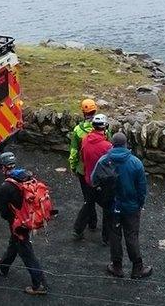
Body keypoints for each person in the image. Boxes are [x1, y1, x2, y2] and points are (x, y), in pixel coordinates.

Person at [93, 132, 152, 279]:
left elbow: (93, 179)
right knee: (131, 235)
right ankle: (137, 268)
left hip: (112, 206)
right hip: (131, 207)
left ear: (112, 144)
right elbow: (142, 188)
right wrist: (139, 203)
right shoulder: (135, 162)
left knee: (114, 235)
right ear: (126, 144)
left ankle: (117, 266)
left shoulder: (103, 161)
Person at [0, 152, 49, 296]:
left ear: (3, 168)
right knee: (15, 243)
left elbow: (3, 208)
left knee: (26, 252)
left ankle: (40, 284)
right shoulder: (26, 177)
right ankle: (3, 266)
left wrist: (10, 219)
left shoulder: (7, 186)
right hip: (28, 218)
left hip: (18, 223)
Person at [79, 113, 113, 244]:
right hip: (103, 183)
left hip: (88, 179)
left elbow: (82, 158)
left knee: (88, 204)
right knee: (108, 208)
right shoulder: (107, 146)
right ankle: (107, 238)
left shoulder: (85, 139)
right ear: (105, 127)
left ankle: (78, 229)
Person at [68, 98, 98, 236]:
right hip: (99, 169)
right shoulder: (103, 128)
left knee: (88, 197)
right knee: (95, 196)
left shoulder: (78, 130)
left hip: (83, 169)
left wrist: (73, 167)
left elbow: (74, 152)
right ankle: (92, 223)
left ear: (83, 113)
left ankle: (90, 223)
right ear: (95, 110)